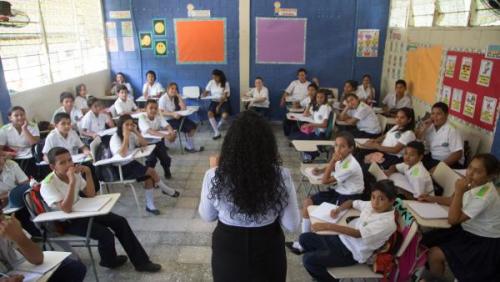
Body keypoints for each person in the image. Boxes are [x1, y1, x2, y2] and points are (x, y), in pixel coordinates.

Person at [198, 111, 300, 282]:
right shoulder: (281, 175)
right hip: (268, 246)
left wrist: (215, 172)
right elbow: (292, 224)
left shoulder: (214, 175)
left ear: (230, 144)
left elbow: (207, 216)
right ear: (268, 145)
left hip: (228, 246)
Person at [40, 147, 162, 272]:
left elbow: (91, 194)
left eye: (70, 160)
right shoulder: (47, 184)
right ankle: (109, 261)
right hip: (67, 221)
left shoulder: (74, 174)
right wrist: (71, 182)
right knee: (105, 234)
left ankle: (141, 262)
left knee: (120, 221)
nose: (69, 165)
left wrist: (87, 173)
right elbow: (66, 209)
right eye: (62, 163)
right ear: (52, 167)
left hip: (83, 210)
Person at [419, 154, 500, 282]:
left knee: (435, 254)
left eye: (477, 171)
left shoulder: (485, 195)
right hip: (467, 229)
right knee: (425, 241)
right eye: (470, 168)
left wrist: (459, 191)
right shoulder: (474, 184)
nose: (470, 174)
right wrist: (431, 199)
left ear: (489, 177)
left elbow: (453, 219)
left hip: (482, 241)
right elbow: (453, 201)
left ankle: (436, 279)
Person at [298, 180, 397, 282]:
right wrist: (338, 210)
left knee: (308, 260)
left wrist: (327, 226)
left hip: (350, 252)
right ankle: (320, 268)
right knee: (304, 239)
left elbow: (357, 234)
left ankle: (328, 279)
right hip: (341, 238)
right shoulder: (371, 206)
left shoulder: (387, 223)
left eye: (381, 199)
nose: (375, 202)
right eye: (373, 197)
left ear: (391, 201)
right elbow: (351, 202)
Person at [286, 132, 364, 255]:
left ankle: (305, 244)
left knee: (320, 217)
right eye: (336, 145)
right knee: (308, 202)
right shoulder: (344, 159)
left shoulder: (351, 166)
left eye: (342, 146)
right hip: (338, 190)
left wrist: (332, 160)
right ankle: (303, 242)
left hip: (348, 198)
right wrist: (322, 169)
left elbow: (324, 181)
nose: (338, 149)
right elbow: (335, 168)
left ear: (351, 149)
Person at [110, 115, 179, 215]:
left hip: (131, 163)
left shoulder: (132, 134)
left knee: (149, 177)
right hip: (121, 168)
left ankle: (150, 205)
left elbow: (145, 143)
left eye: (131, 124)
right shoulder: (115, 138)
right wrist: (125, 137)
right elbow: (122, 154)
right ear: (121, 126)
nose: (129, 127)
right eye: (127, 125)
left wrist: (136, 132)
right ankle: (166, 190)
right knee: (151, 171)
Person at [0, 210, 87, 282]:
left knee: (75, 268)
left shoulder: (6, 225)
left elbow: (38, 259)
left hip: (19, 272)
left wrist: (20, 238)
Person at [415, 102, 463, 171]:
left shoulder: (452, 130)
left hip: (447, 162)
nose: (434, 117)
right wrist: (423, 128)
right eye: (433, 113)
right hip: (432, 157)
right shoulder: (430, 126)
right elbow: (417, 139)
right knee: (414, 164)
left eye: (438, 114)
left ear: (446, 115)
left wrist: (439, 167)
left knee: (421, 172)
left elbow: (458, 154)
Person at [158, 82, 203, 152]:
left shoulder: (175, 98)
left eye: (176, 89)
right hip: (167, 121)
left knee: (193, 125)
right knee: (189, 127)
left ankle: (189, 146)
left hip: (176, 118)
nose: (174, 90)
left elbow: (184, 108)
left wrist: (179, 96)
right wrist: (172, 114)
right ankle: (190, 147)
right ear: (167, 89)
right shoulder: (163, 99)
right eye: (172, 88)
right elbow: (160, 112)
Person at [289, 89, 332, 162]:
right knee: (294, 136)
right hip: (314, 130)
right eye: (317, 97)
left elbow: (324, 125)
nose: (319, 99)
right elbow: (307, 114)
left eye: (321, 97)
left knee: (304, 141)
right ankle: (309, 153)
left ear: (325, 98)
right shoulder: (318, 106)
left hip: (320, 133)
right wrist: (308, 124)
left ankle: (311, 155)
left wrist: (310, 125)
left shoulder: (326, 107)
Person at [138, 99, 175, 179]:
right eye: (151, 108)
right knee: (151, 160)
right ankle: (150, 177)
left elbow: (167, 126)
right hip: (146, 143)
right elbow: (150, 131)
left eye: (155, 108)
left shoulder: (158, 116)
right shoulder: (142, 117)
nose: (153, 110)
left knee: (165, 158)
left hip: (158, 141)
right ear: (145, 109)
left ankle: (166, 170)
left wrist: (171, 133)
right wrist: (166, 136)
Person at [0, 106, 40, 179]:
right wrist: (7, 153)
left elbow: (34, 144)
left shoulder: (32, 125)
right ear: (10, 118)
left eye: (22, 115)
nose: (20, 117)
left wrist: (24, 129)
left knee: (29, 164)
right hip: (13, 155)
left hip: (30, 154)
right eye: (16, 115)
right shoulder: (4, 130)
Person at [202, 69, 231, 140]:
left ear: (220, 76)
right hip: (214, 101)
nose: (214, 79)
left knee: (224, 115)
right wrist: (204, 94)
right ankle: (217, 132)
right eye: (213, 77)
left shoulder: (226, 83)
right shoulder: (211, 82)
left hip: (223, 102)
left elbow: (224, 97)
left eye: (215, 77)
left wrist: (218, 106)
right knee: (209, 113)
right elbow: (206, 92)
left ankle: (218, 125)